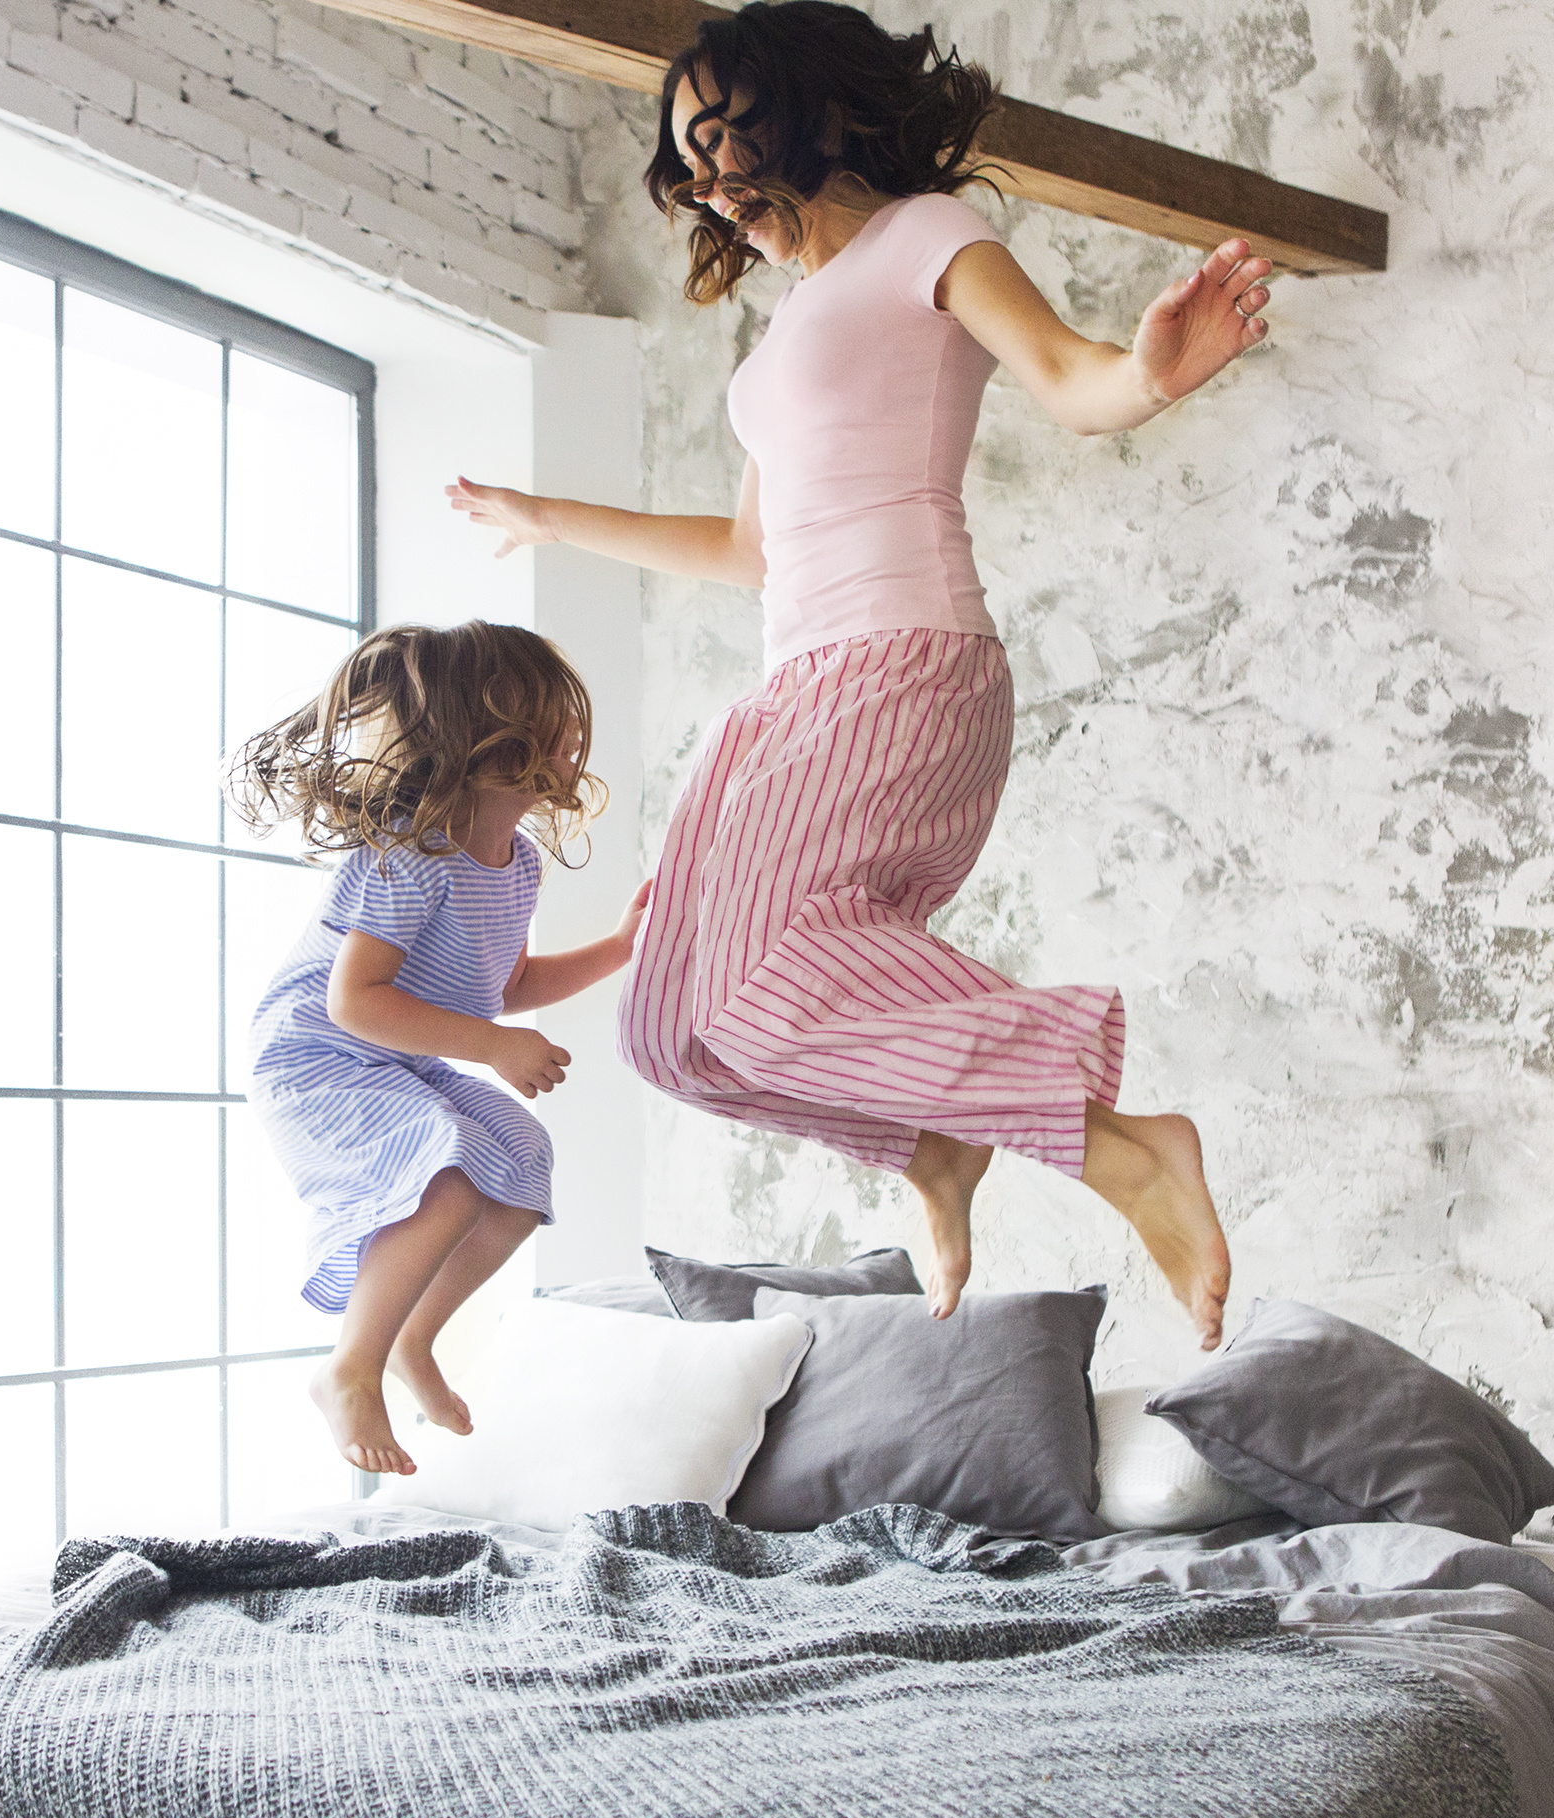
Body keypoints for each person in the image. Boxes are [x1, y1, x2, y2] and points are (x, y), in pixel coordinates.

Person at [448, 0, 1267, 1346]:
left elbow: (1070, 376)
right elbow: (744, 545)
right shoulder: (787, 329)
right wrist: (546, 518)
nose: (708, 178)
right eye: (687, 157)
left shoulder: (928, 235)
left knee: (759, 972)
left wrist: (1151, 374)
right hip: (797, 685)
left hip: (901, 662)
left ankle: (1120, 1143)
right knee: (671, 1028)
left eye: (722, 136)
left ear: (813, 109)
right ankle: (936, 1145)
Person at [236, 622, 647, 1475]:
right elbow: (354, 999)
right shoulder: (411, 854)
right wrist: (491, 1047)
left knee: (519, 1158)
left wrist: (617, 948)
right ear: (487, 740)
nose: (575, 739)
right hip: (317, 1058)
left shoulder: (517, 864)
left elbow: (503, 981)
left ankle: (409, 1340)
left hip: (395, 1056)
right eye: (552, 724)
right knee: (449, 1175)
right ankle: (349, 1365)